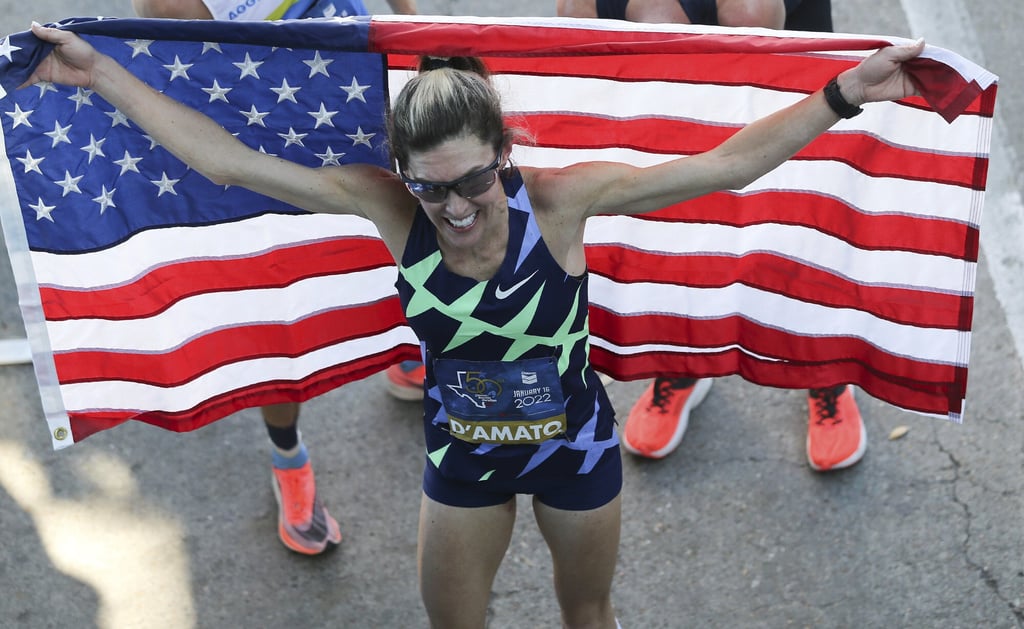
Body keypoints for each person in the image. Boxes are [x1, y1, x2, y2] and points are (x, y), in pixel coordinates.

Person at [26, 20, 923, 626]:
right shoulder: (391, 208)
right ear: (402, 172)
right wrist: (98, 71)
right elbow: (223, 162)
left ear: (504, 151)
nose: (454, 207)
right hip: (463, 459)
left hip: (575, 452)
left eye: (471, 180)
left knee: (587, 617)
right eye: (430, 185)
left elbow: (726, 166)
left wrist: (845, 92)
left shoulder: (564, 202)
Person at [129, 0, 418, 557]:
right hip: (258, 125)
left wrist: (420, 39)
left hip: (354, 79)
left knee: (400, 233)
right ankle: (288, 455)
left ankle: (407, 352)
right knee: (280, 313)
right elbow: (170, 66)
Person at [557, 0, 865, 474]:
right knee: (672, 223)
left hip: (777, 70)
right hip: (664, 100)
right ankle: (681, 363)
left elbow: (756, 40)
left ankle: (824, 373)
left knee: (796, 212)